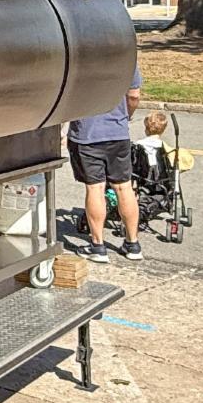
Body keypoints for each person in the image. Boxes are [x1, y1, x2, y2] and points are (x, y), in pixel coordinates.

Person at [68, 65, 144, 262]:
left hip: (87, 133)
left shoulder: (79, 60)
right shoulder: (126, 58)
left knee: (95, 188)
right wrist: (126, 116)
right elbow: (134, 96)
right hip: (118, 132)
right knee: (124, 187)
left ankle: (98, 245)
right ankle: (132, 243)